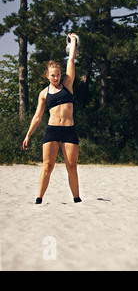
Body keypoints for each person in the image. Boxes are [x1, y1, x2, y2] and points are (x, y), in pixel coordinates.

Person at [23, 34, 81, 204]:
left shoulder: (68, 85)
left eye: (58, 75)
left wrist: (74, 43)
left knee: (72, 166)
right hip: (52, 131)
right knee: (47, 166)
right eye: (53, 75)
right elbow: (37, 117)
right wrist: (28, 135)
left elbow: (71, 60)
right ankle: (39, 199)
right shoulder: (44, 94)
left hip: (69, 131)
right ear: (47, 76)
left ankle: (77, 199)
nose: (56, 78)